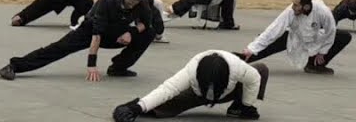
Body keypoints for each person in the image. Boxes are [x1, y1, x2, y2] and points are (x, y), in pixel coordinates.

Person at [0, 0, 156, 81]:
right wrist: (92, 64)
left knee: (148, 34)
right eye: (129, 4)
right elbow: (96, 35)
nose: (131, 7)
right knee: (58, 48)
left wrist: (131, 32)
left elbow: (146, 24)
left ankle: (118, 68)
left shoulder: (143, 1)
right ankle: (14, 66)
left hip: (118, 31)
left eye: (134, 4)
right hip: (90, 30)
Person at [112, 50, 268, 120]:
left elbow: (254, 78)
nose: (211, 91)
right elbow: (168, 88)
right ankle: (134, 106)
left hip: (229, 92)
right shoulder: (191, 70)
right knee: (164, 106)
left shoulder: (239, 68)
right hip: (196, 95)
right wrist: (136, 108)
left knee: (261, 69)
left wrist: (248, 105)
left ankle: (237, 108)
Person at [239, 0, 351, 75]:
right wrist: (252, 48)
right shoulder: (290, 11)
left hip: (313, 38)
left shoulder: (323, 11)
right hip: (293, 37)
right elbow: (274, 29)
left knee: (345, 36)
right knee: (266, 45)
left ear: (306, 6)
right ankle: (238, 60)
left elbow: (331, 31)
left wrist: (323, 51)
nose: (293, 7)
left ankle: (314, 65)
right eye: (293, 3)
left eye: (296, 5)